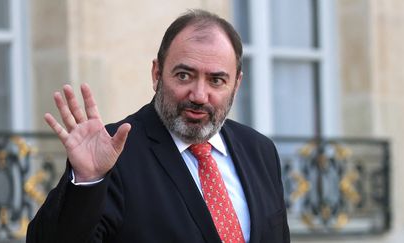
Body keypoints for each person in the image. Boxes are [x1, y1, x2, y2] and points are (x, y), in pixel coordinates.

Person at [26, 9, 290, 243]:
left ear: (236, 84)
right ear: (156, 74)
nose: (199, 95)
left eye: (216, 80)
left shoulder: (260, 151)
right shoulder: (112, 153)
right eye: (184, 75)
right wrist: (87, 182)